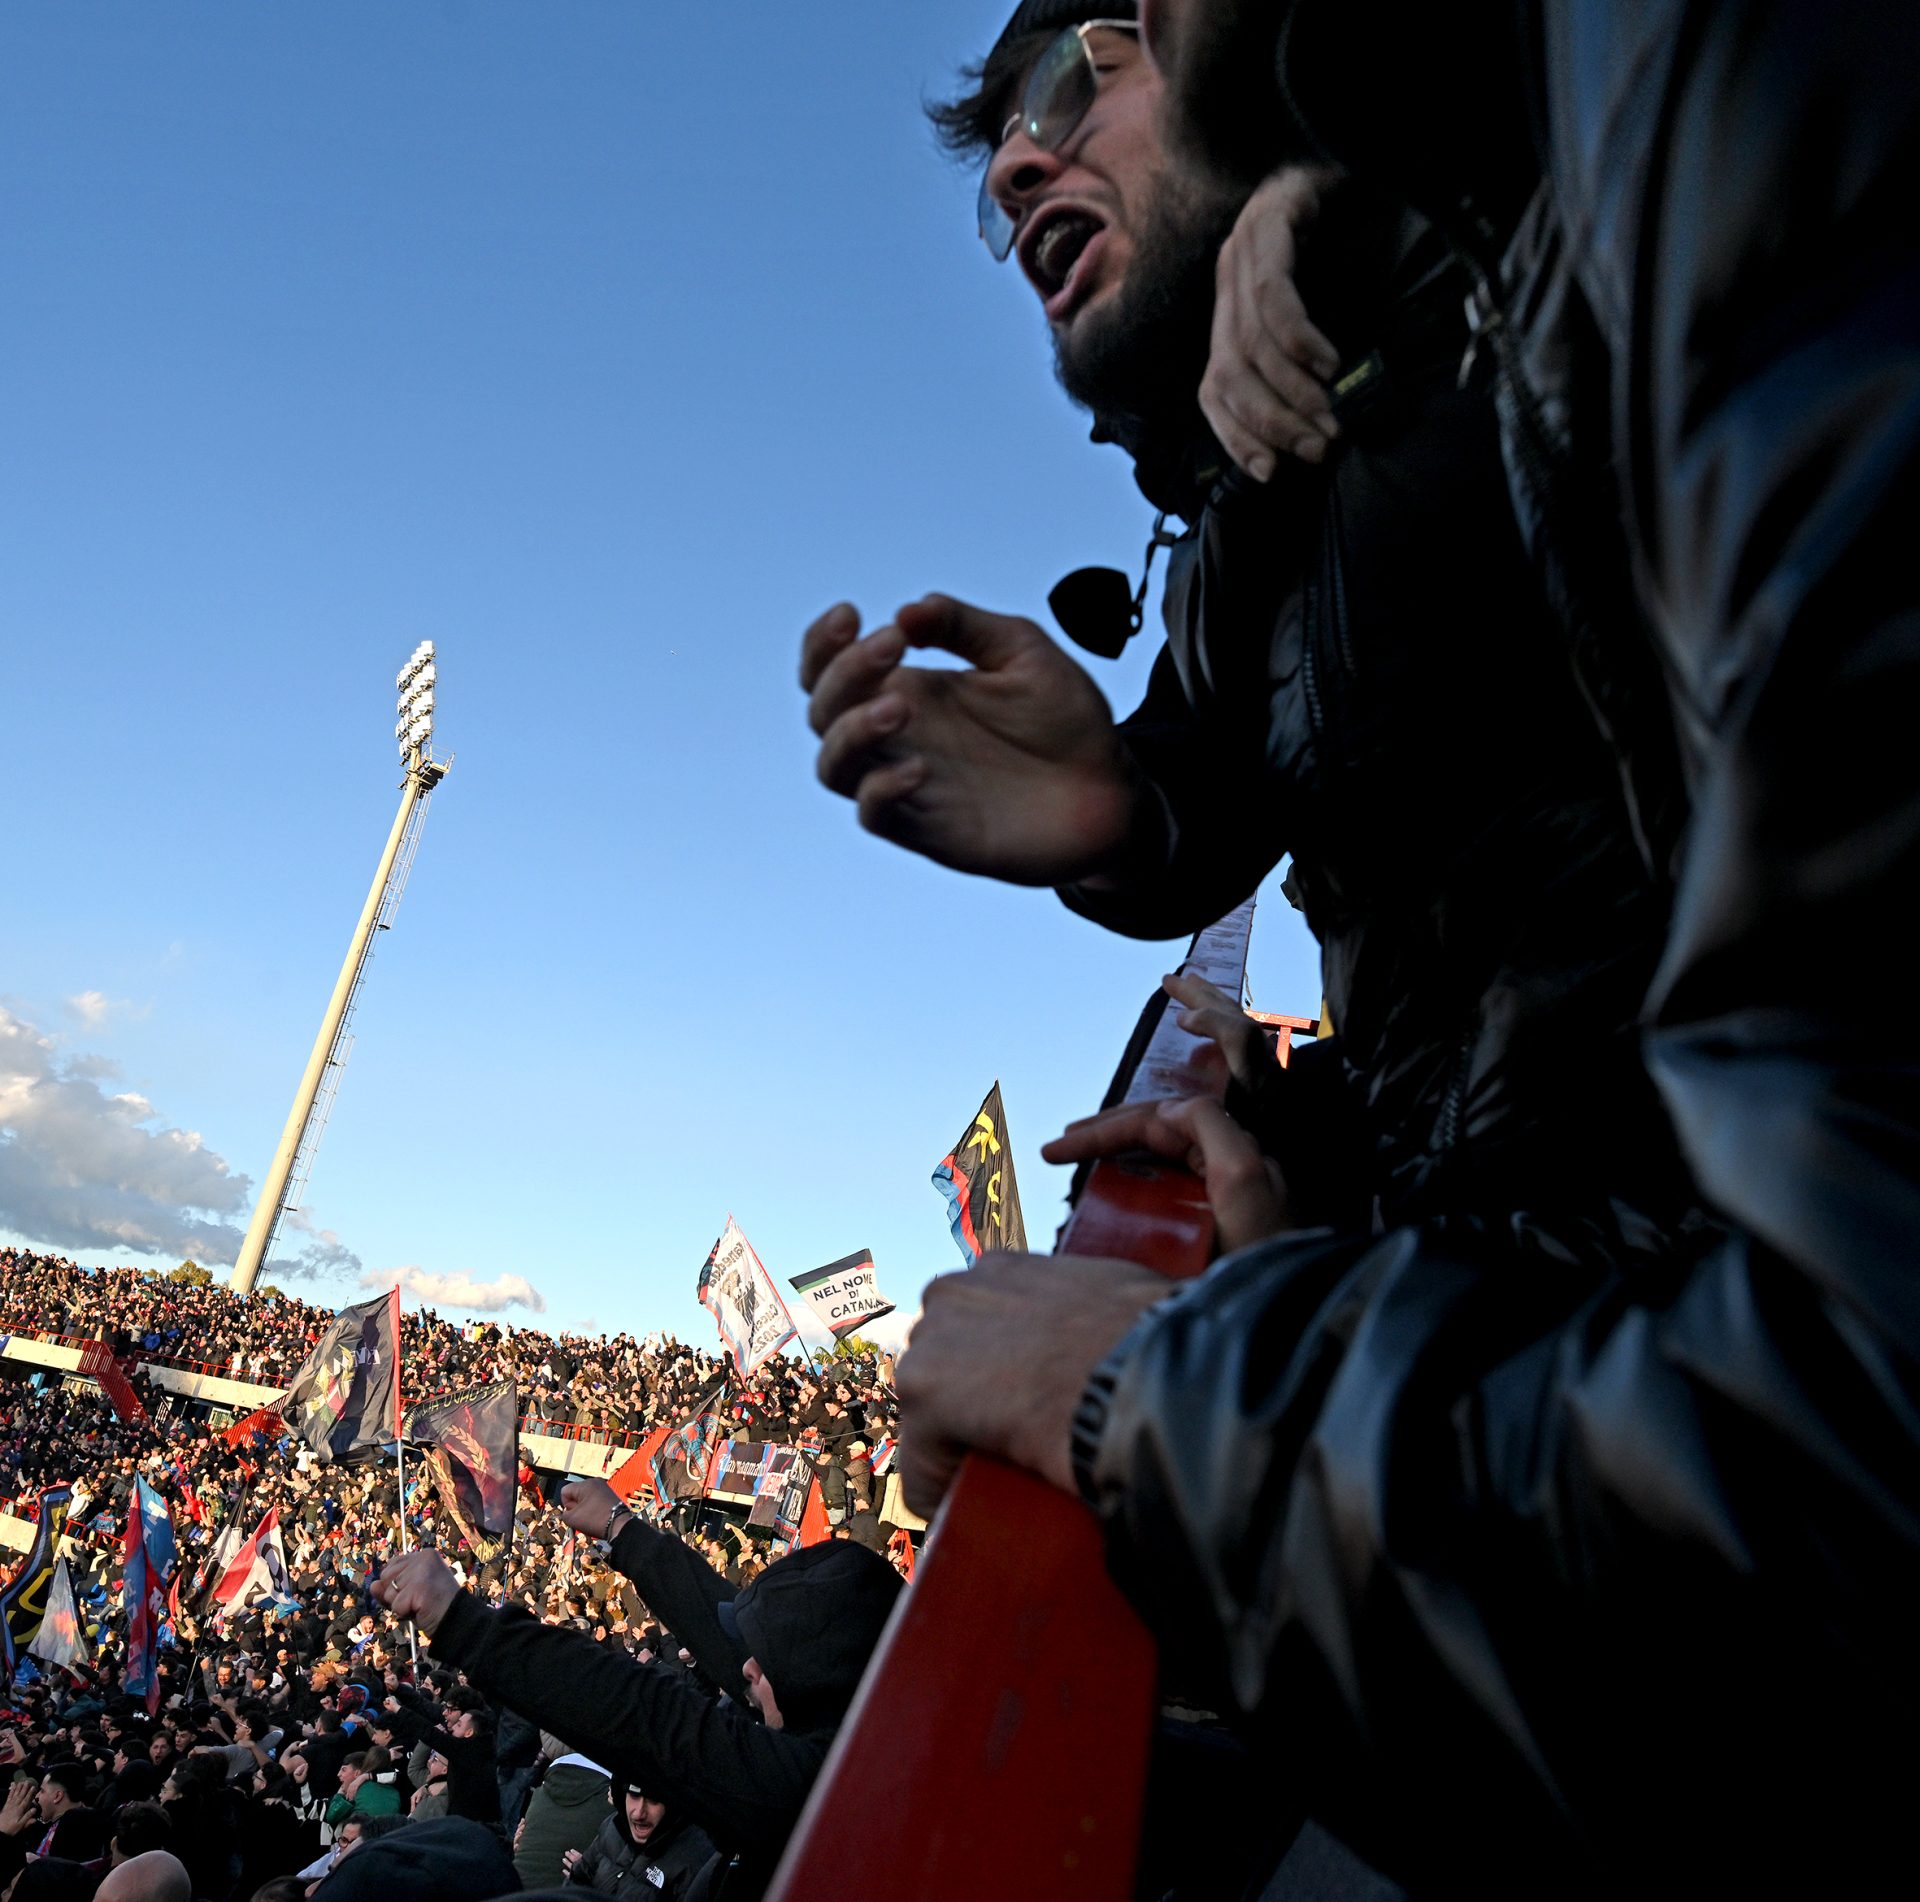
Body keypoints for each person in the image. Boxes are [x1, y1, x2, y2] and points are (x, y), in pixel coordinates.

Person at [877, 2, 1920, 1893]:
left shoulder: (1572, 193)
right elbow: (1555, 975)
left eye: (1082, 71)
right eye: (999, 158)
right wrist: (1298, 1124)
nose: (1022, 162)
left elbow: (1854, 1464)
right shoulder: (1253, 501)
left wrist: (1155, 1396)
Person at [375, 1532, 902, 1902]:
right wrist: (623, 1532)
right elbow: (723, 1636)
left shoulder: (817, 1791)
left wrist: (465, 1625)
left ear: (817, 1682)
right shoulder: (856, 1736)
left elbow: (646, 1714)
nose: (745, 1668)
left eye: (769, 1663)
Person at [564, 1782, 714, 1901]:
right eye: (634, 1796)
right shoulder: (613, 1826)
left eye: (653, 1800)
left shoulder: (694, 1861)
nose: (638, 1813)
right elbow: (577, 1880)